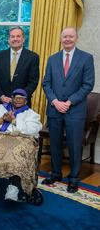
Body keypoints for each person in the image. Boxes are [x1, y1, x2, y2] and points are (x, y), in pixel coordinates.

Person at [42, 27, 95, 193]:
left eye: (70, 36)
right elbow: (46, 83)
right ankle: (56, 173)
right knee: (55, 144)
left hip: (75, 110)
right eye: (65, 37)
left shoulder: (86, 58)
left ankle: (73, 178)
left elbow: (88, 84)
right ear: (61, 39)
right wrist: (55, 101)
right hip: (55, 108)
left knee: (74, 145)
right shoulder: (52, 59)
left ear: (76, 38)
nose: (67, 39)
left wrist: (69, 102)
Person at [0, 88, 42, 201]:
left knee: (18, 150)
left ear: (25, 101)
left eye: (20, 98)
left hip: (20, 138)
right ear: (11, 99)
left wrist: (14, 121)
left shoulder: (31, 114)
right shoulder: (0, 108)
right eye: (15, 98)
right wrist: (2, 119)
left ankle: (13, 188)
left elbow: (33, 129)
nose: (17, 100)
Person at [0, 26, 40, 106]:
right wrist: (1, 96)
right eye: (12, 36)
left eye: (18, 36)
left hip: (23, 104)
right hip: (1, 103)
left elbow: (33, 82)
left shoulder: (33, 57)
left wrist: (20, 97)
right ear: (8, 40)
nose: (15, 39)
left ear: (23, 39)